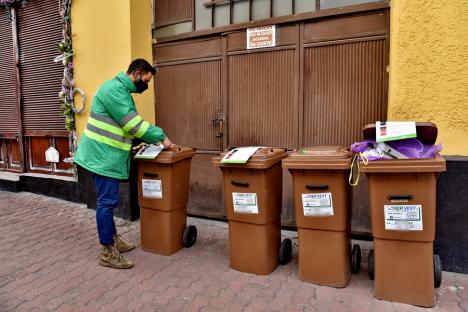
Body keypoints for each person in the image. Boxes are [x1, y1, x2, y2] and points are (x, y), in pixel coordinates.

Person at [74, 59, 172, 269]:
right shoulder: (115, 91)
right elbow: (133, 124)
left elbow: (123, 126)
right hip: (102, 157)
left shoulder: (120, 90)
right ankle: (108, 251)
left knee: (108, 201)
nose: (145, 86)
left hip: (106, 156)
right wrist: (161, 136)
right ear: (136, 73)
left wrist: (138, 141)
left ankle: (113, 239)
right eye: (145, 80)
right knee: (106, 202)